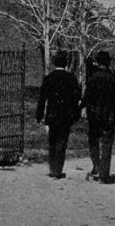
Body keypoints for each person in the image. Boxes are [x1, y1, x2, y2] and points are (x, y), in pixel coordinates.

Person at [35, 51, 81, 179]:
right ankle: (58, 169)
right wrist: (76, 114)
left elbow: (42, 99)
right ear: (66, 63)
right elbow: (76, 97)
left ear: (54, 63)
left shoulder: (49, 78)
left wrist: (39, 115)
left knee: (52, 142)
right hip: (66, 116)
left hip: (52, 115)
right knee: (62, 142)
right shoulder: (71, 78)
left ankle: (52, 168)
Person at [81, 51, 115, 183]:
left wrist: (81, 107)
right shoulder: (113, 78)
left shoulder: (92, 78)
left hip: (94, 115)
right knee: (107, 144)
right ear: (108, 62)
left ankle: (96, 165)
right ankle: (104, 174)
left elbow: (87, 97)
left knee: (93, 141)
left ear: (97, 62)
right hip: (108, 115)